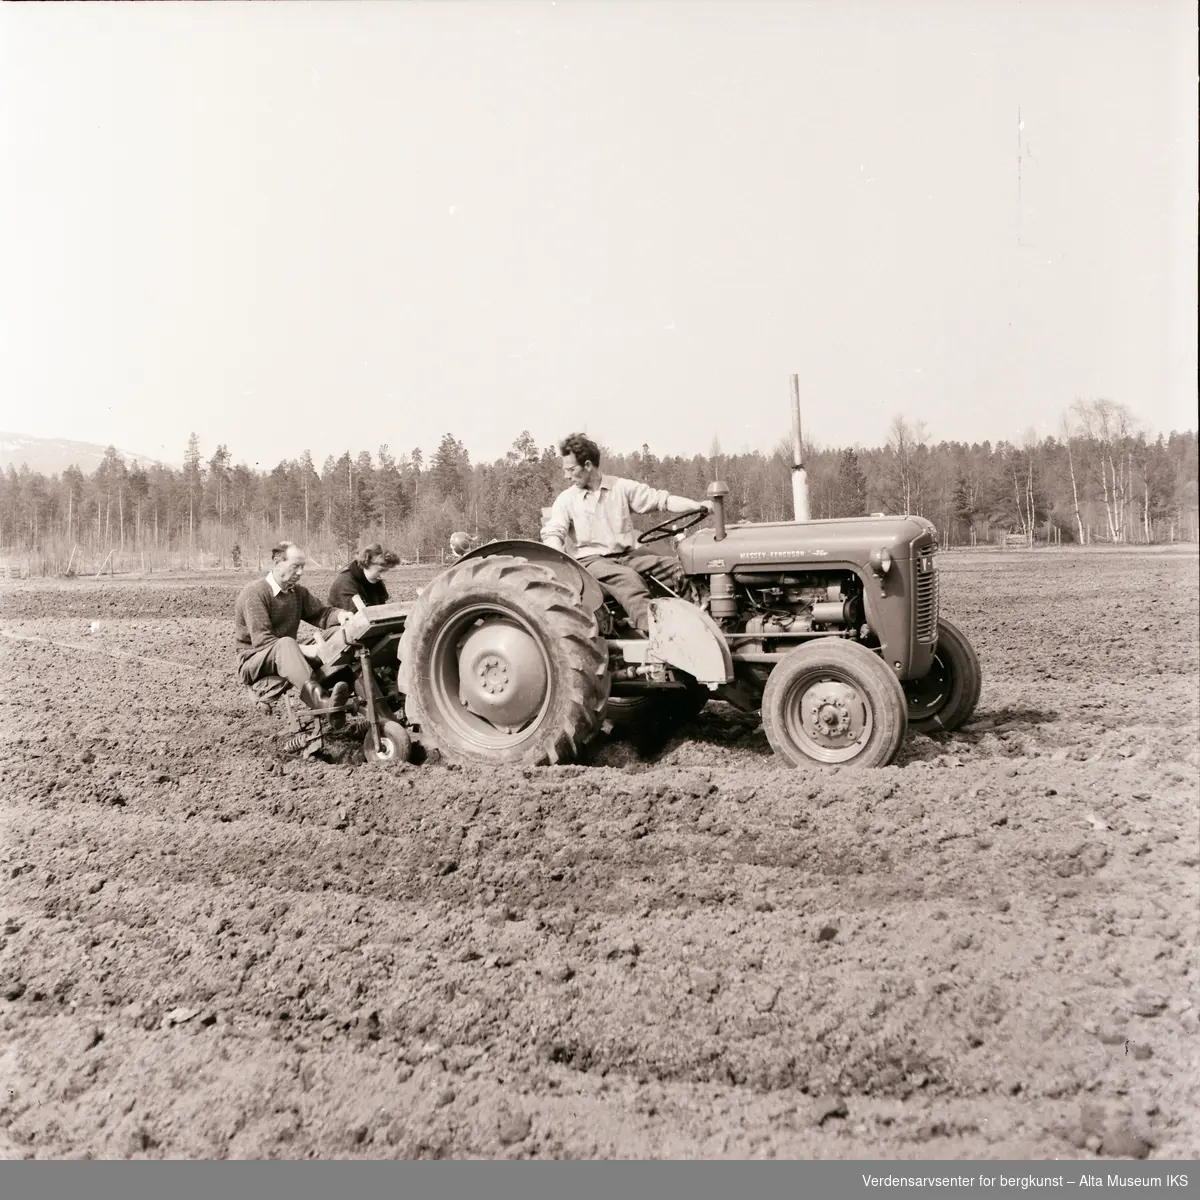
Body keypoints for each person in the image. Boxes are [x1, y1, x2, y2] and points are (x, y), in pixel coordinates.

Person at [540, 432, 711, 634]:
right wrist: (558, 560)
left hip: (627, 557)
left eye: (571, 469)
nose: (566, 476)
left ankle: (700, 624)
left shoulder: (620, 488)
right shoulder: (566, 499)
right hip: (591, 563)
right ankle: (659, 636)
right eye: (565, 470)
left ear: (587, 466)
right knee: (629, 580)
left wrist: (698, 505)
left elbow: (661, 500)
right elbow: (554, 532)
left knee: (681, 568)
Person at [234, 541, 354, 725]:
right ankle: (323, 704)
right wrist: (306, 650)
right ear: (276, 563)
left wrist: (342, 616)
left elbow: (321, 613)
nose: (300, 573)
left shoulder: (297, 593)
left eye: (302, 567)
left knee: (339, 632)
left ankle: (346, 682)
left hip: (286, 651)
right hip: (254, 660)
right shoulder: (254, 593)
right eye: (295, 566)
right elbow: (264, 641)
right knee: (286, 643)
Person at [327, 543, 400, 612]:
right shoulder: (346, 583)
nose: (382, 576)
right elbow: (360, 617)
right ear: (366, 563)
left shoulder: (375, 582)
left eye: (385, 571)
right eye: (380, 571)